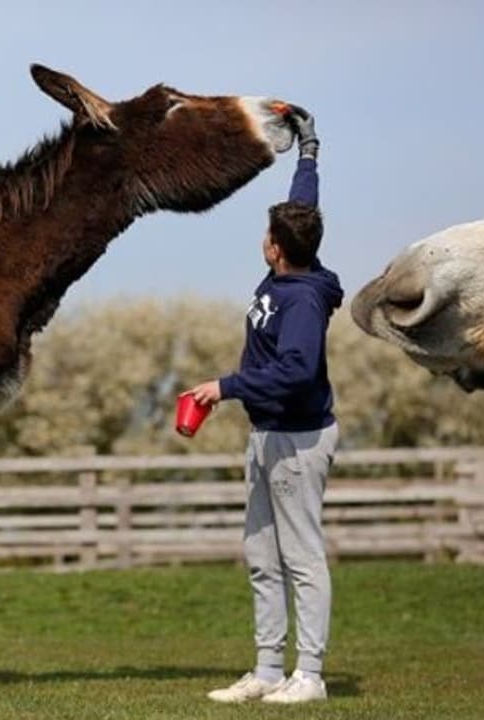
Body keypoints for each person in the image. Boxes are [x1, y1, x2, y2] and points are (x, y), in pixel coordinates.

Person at [187, 106, 343, 705]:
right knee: (260, 555)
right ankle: (269, 670)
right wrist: (308, 150)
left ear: (276, 249)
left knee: (301, 558)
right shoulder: (297, 266)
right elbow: (303, 206)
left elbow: (297, 372)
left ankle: (312, 676)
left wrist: (225, 387)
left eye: (268, 235)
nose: (264, 239)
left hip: (297, 440)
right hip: (268, 434)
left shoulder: (302, 301)